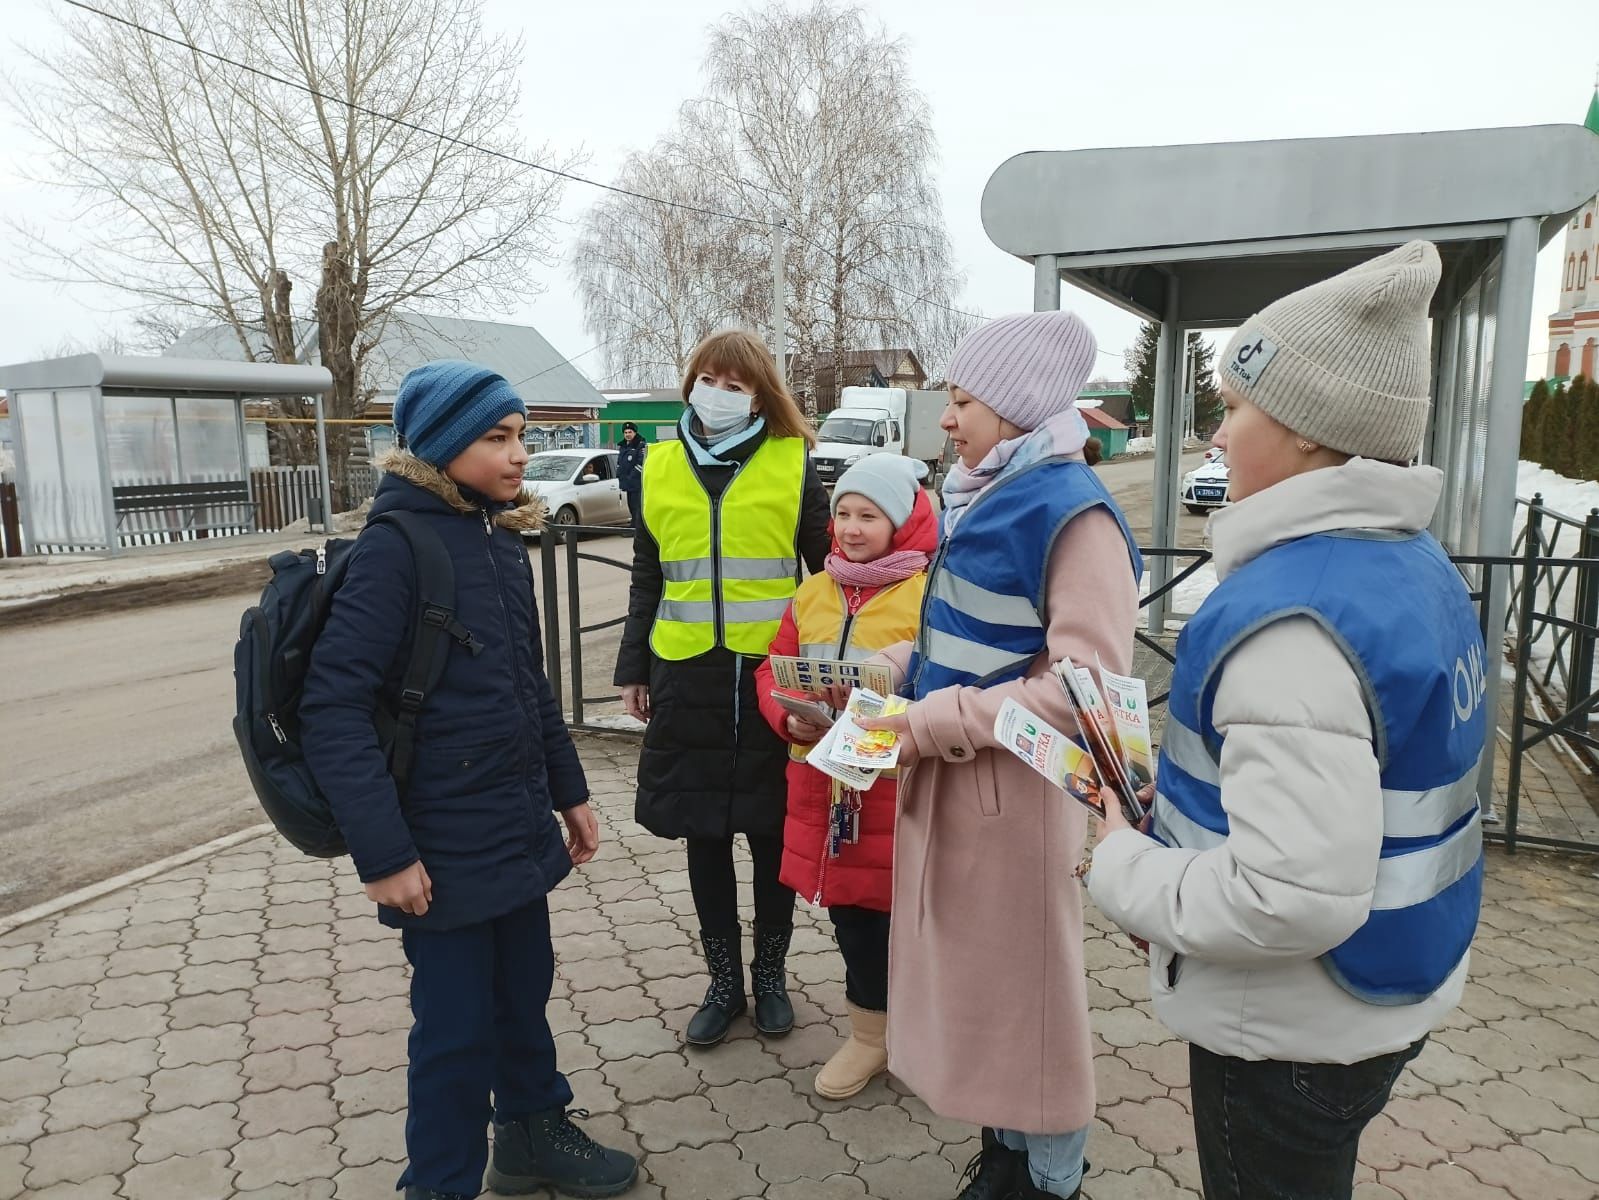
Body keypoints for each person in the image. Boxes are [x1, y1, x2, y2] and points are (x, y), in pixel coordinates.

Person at [1088, 241, 1488, 1200]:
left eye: (1232, 407)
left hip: (1285, 1029)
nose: (1215, 437)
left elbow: (1289, 899)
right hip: (1379, 996)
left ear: (1311, 432)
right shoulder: (1409, 564)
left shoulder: (1290, 623)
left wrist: (1117, 861)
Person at [300, 361, 637, 1200]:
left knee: (523, 993)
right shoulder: (395, 550)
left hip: (514, 824)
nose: (521, 453)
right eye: (498, 437)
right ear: (445, 445)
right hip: (439, 844)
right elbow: (333, 710)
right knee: (453, 1035)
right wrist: (383, 856)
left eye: (521, 434)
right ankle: (439, 1184)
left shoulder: (494, 537)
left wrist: (570, 793)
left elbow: (529, 684)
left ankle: (528, 1135)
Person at [848, 312, 1143, 1200]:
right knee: (988, 996)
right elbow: (974, 640)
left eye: (963, 398)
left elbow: (1086, 691)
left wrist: (927, 722)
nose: (945, 417)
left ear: (1014, 408)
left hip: (1015, 799)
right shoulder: (996, 492)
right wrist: (885, 669)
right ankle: (1007, 1157)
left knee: (1032, 1006)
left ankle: (1049, 1182)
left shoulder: (1070, 511)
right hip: (965, 786)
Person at [613, 329, 831, 1047]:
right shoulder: (660, 463)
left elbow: (828, 573)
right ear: (690, 383)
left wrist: (833, 668)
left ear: (759, 394)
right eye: (709, 378)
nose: (719, 393)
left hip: (770, 678)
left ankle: (770, 977)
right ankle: (722, 983)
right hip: (685, 673)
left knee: (771, 830)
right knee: (701, 834)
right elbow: (649, 573)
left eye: (736, 385)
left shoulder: (791, 460)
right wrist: (633, 670)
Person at [755, 455, 937, 1098]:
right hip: (825, 784)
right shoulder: (813, 591)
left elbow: (948, 687)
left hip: (898, 785)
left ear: (903, 520)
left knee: (908, 919)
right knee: (853, 917)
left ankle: (920, 1037)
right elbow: (773, 669)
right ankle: (868, 1037)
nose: (852, 528)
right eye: (842, 512)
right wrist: (787, 716)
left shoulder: (930, 592)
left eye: (870, 515)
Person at [617, 421, 646, 526]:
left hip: (636, 483)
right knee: (630, 505)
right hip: (627, 483)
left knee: (636, 506)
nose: (627, 434)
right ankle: (634, 525)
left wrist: (632, 476)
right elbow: (620, 462)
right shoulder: (623, 446)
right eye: (625, 432)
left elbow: (641, 464)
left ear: (634, 433)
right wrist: (619, 473)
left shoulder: (640, 445)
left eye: (630, 432)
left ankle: (636, 527)